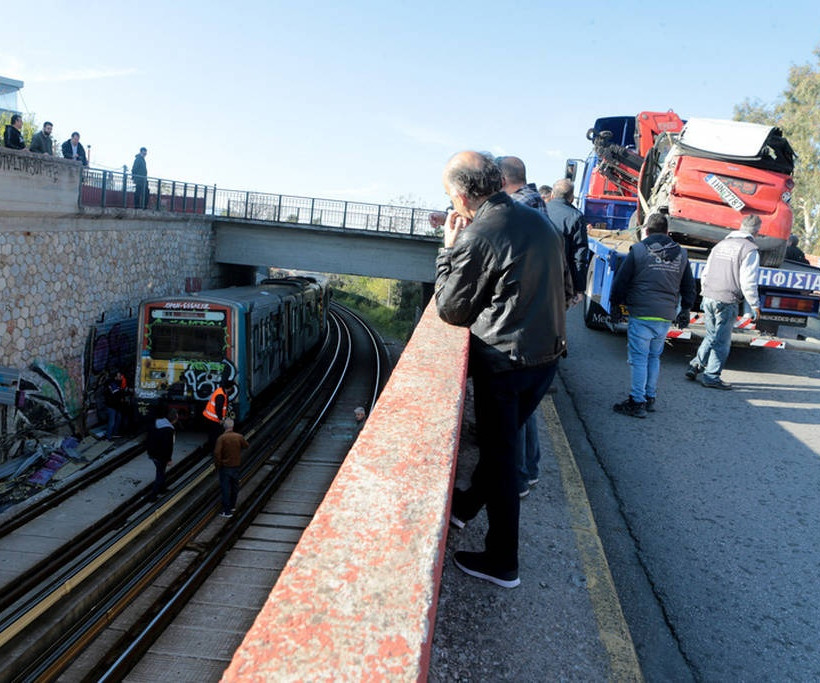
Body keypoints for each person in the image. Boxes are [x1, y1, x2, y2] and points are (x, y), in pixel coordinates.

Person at [436, 151, 567, 589]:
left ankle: (502, 560)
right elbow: (566, 289)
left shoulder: (481, 234)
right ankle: (467, 505)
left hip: (506, 364)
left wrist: (447, 251)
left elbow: (451, 310)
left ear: (459, 195)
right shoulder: (538, 221)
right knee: (501, 449)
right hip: (544, 360)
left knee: (501, 458)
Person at [497, 155, 560, 497]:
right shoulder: (539, 207)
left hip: (525, 325)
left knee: (517, 408)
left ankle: (521, 475)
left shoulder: (522, 210)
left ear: (503, 180)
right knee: (527, 409)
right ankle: (529, 470)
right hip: (542, 323)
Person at [609, 214, 695, 417]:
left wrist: (615, 305)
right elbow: (688, 285)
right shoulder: (681, 254)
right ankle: (649, 397)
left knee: (639, 359)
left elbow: (622, 280)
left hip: (642, 313)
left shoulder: (638, 250)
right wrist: (685, 309)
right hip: (665, 315)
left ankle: (637, 401)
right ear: (667, 232)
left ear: (646, 231)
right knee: (654, 357)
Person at [687, 215, 762, 390]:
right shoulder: (750, 249)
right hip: (726, 300)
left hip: (709, 296)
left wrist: (705, 291)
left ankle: (696, 364)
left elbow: (706, 272)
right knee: (722, 341)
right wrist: (755, 304)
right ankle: (711, 377)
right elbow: (748, 281)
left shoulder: (720, 245)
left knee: (712, 335)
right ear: (757, 232)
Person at [546, 179, 590, 304]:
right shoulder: (576, 217)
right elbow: (579, 256)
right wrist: (579, 289)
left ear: (552, 195)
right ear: (571, 198)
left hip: (534, 276)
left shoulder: (538, 210)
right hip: (560, 279)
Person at [213, 418, 249, 517]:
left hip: (225, 467)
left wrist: (218, 464)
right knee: (234, 487)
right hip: (236, 466)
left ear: (224, 427)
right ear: (232, 426)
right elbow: (246, 445)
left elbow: (216, 453)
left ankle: (226, 510)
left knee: (225, 488)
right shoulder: (239, 436)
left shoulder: (221, 438)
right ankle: (233, 506)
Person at [146, 408, 177, 501]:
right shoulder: (169, 430)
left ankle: (162, 489)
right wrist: (168, 459)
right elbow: (167, 447)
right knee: (160, 474)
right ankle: (153, 495)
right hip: (160, 455)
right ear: (174, 419)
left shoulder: (157, 423)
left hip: (152, 452)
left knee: (161, 471)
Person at [203, 378, 231, 455]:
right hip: (213, 418)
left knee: (212, 434)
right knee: (216, 435)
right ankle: (214, 451)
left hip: (210, 417)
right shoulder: (221, 395)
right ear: (229, 388)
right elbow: (218, 408)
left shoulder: (220, 391)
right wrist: (221, 419)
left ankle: (211, 449)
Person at [103, 370, 126, 439]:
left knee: (118, 419)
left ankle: (114, 434)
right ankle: (108, 436)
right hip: (111, 406)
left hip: (117, 406)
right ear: (115, 377)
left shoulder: (118, 383)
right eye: (119, 376)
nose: (121, 377)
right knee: (112, 422)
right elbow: (117, 393)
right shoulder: (112, 384)